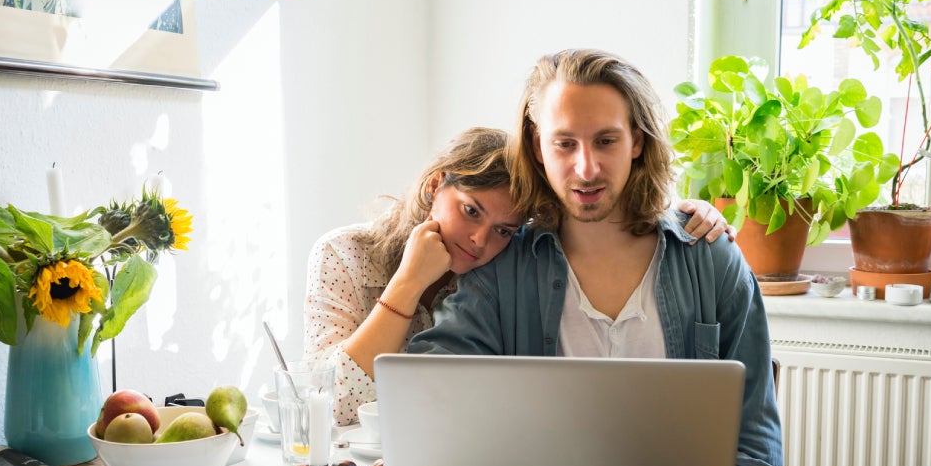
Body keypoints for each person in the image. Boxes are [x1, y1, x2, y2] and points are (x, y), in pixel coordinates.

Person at [407, 50, 866, 466]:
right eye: (564, 144)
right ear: (536, 145)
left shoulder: (711, 258)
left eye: (605, 141)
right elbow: (430, 390)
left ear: (638, 142)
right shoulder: (505, 269)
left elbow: (754, 447)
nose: (586, 170)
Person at [303, 127, 733, 426]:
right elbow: (329, 403)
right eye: (470, 211)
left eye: (503, 230)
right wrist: (408, 284)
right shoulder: (344, 256)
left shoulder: (500, 274)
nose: (477, 240)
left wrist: (679, 211)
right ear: (435, 187)